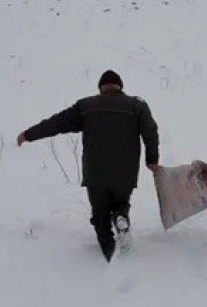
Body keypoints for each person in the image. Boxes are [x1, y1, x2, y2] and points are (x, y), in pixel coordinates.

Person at [18, 70, 161, 261]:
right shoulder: (137, 105)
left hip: (95, 173)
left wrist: (29, 134)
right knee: (121, 202)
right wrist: (152, 160)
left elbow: (57, 123)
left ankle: (109, 256)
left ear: (101, 88)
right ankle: (121, 219)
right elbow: (151, 132)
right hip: (125, 172)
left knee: (100, 216)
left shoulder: (87, 106)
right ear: (120, 87)